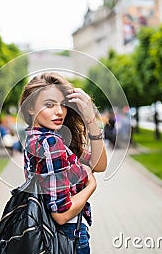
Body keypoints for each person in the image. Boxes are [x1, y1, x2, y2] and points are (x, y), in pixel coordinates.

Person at [19, 72, 107, 253]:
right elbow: (61, 214)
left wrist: (90, 119)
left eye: (63, 105)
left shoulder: (38, 137)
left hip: (50, 235)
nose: (59, 112)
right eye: (49, 105)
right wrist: (92, 185)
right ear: (30, 108)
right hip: (66, 236)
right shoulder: (51, 143)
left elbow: (99, 164)